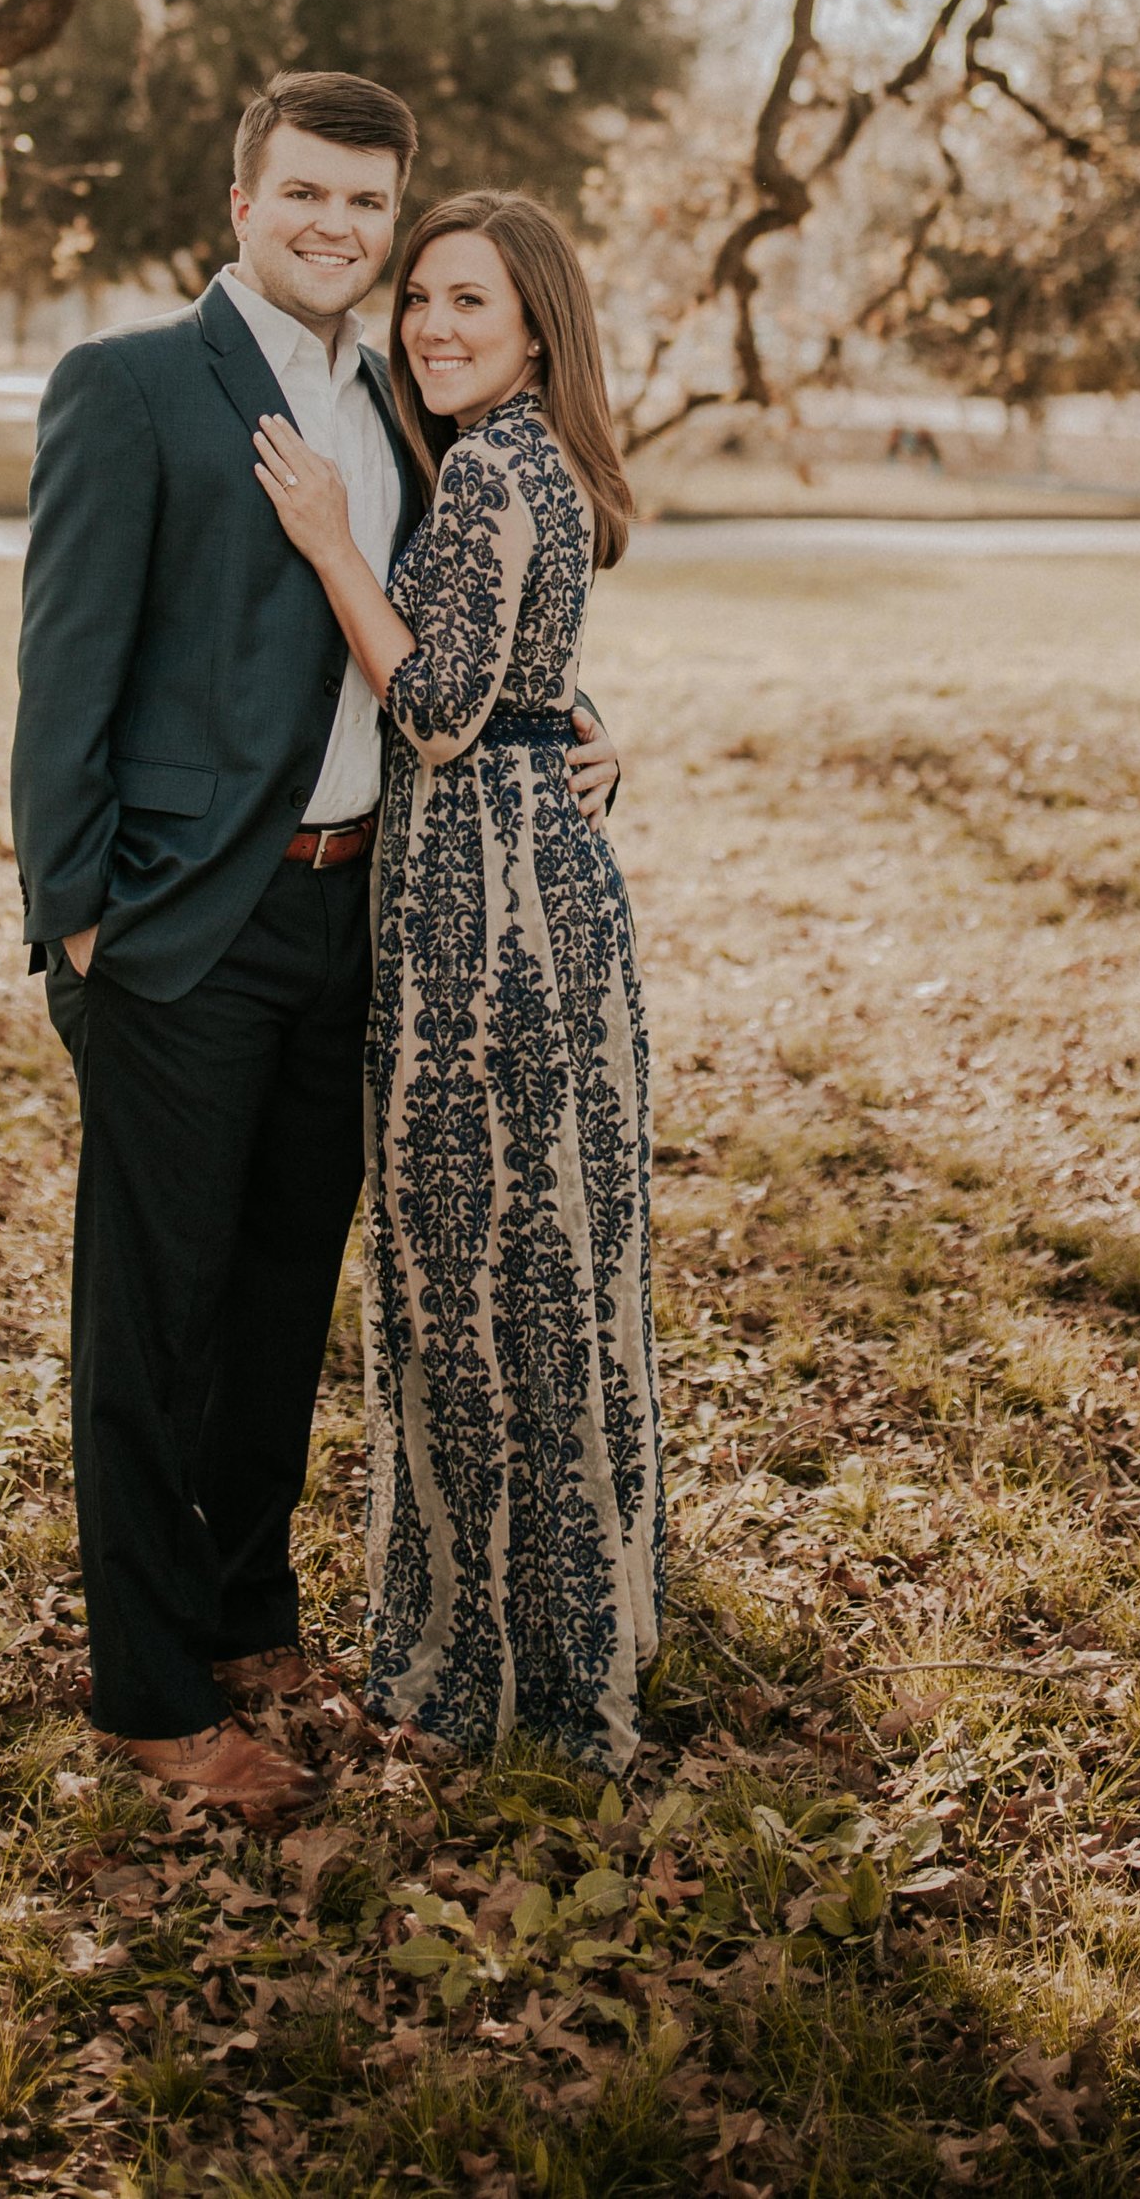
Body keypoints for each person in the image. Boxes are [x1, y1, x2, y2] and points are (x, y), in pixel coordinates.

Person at [11, 74, 621, 1824]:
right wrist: (74, 919)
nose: (340, 229)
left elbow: (452, 628)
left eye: (368, 204)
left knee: (285, 1289)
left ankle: (248, 1605)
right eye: (307, 196)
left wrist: (573, 711)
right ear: (241, 199)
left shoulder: (408, 400)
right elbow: (63, 676)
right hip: (179, 927)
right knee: (155, 1310)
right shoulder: (129, 385)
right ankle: (147, 1684)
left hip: (359, 916)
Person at [255, 188, 662, 1770]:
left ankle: (491, 1668)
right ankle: (563, 1624)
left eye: (468, 302)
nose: (430, 324)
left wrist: (330, 543)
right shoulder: (512, 460)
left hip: (488, 933)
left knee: (481, 1281)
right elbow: (517, 669)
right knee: (540, 1273)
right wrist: (587, 724)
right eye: (420, 296)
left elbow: (430, 707)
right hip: (516, 901)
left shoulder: (492, 464)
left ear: (536, 325)